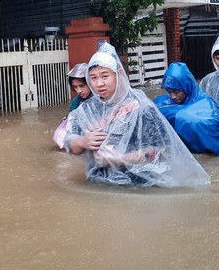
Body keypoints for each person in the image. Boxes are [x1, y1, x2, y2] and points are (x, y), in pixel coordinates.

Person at [64, 42, 211, 187]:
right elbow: (69, 142)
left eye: (105, 76)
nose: (99, 83)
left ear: (119, 74)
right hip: (98, 183)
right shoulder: (87, 109)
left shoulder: (142, 107)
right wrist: (82, 142)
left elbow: (162, 150)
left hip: (136, 185)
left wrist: (120, 159)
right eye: (93, 78)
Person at [153, 62, 219, 155]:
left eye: (176, 92)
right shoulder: (161, 102)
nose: (173, 96)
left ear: (187, 87)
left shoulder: (209, 107)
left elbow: (211, 128)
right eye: (169, 92)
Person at [53, 63, 92, 148]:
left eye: (82, 86)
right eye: (75, 87)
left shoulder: (102, 99)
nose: (79, 91)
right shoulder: (76, 101)